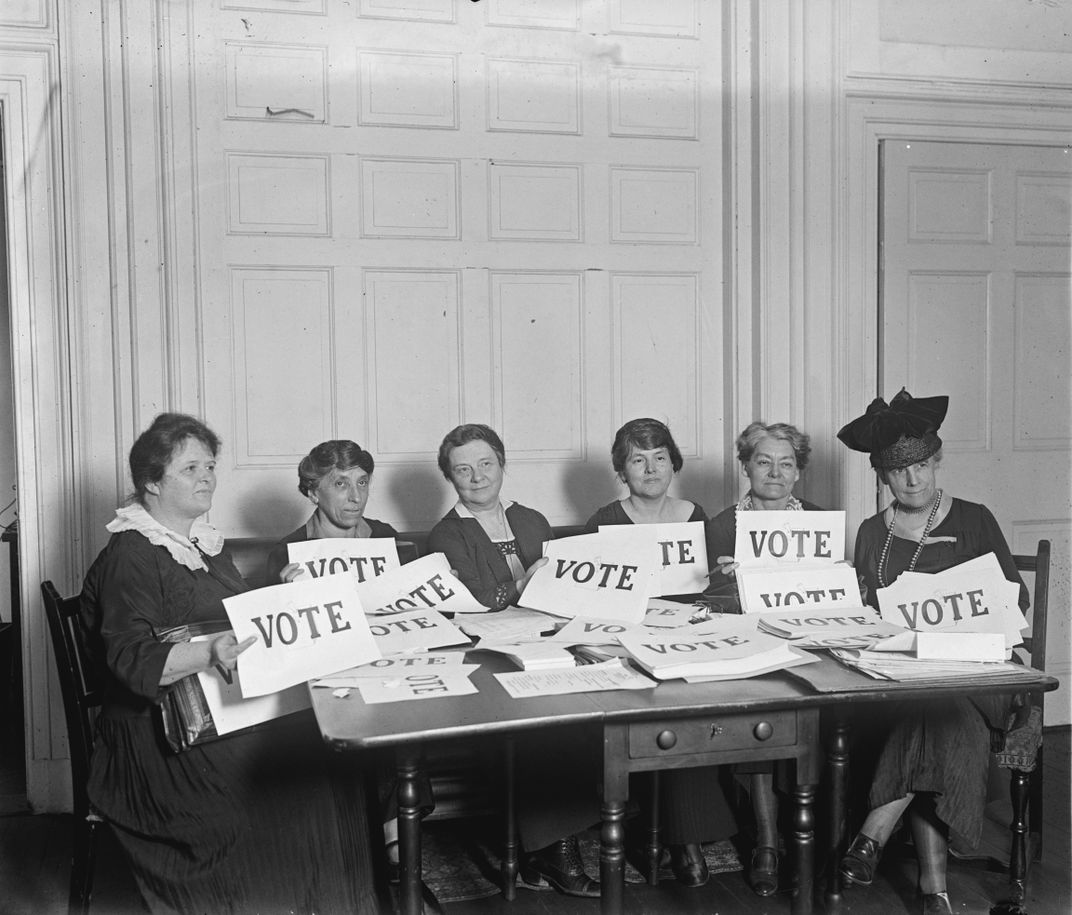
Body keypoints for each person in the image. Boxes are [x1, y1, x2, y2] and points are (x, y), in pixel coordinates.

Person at [79, 413, 381, 914]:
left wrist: (279, 593)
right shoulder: (133, 553)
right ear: (151, 482)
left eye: (211, 466)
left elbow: (223, 615)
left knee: (327, 756)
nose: (207, 478)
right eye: (190, 468)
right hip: (155, 738)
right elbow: (129, 659)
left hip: (212, 710)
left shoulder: (201, 543)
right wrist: (209, 651)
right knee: (297, 780)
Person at [836, 389, 1029, 915]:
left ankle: (874, 832)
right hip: (905, 681)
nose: (913, 480)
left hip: (977, 678)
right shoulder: (872, 532)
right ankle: (934, 892)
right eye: (900, 473)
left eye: (922, 466)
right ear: (883, 477)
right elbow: (864, 611)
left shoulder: (973, 518)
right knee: (935, 716)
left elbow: (1017, 599)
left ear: (936, 462)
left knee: (936, 707)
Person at [428, 423, 601, 897]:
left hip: (549, 642)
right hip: (486, 657)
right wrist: (525, 586)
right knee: (539, 723)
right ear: (451, 478)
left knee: (584, 706)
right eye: (463, 470)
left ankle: (546, 847)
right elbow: (474, 599)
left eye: (486, 464)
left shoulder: (531, 519)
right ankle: (555, 851)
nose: (478, 477)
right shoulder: (445, 534)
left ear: (502, 465)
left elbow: (566, 587)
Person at [584, 417, 736, 888]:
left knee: (685, 704)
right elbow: (590, 601)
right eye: (637, 460)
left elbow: (715, 590)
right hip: (627, 645)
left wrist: (726, 574)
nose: (650, 469)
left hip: (690, 641)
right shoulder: (603, 523)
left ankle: (681, 837)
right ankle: (684, 841)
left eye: (659, 458)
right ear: (621, 469)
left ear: (673, 463)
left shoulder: (697, 517)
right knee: (663, 707)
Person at [704, 420, 821, 897]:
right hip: (744, 649)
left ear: (798, 472)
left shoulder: (817, 520)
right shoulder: (719, 525)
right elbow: (702, 605)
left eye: (786, 463)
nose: (775, 472)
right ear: (746, 466)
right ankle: (768, 841)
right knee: (764, 707)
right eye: (763, 461)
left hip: (805, 644)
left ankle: (812, 837)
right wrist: (724, 582)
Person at [265, 439, 399, 585]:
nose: (356, 497)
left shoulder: (386, 536)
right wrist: (287, 594)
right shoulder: (286, 553)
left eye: (362, 483)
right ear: (313, 494)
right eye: (340, 484)